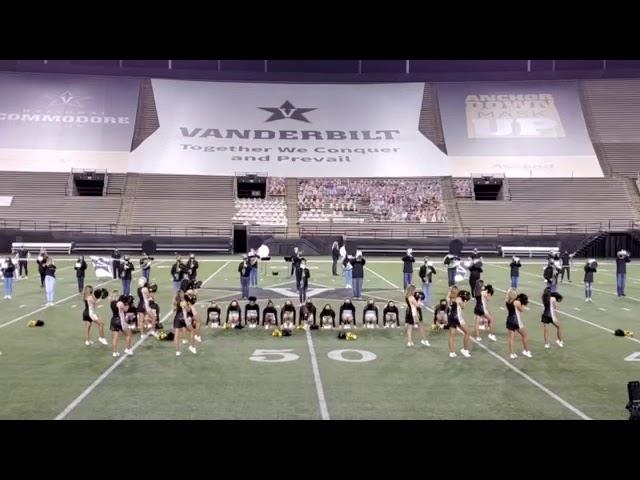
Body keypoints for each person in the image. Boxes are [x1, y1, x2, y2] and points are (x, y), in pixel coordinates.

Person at [505, 288, 531, 359]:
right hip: (516, 321)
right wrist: (524, 306)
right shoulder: (517, 302)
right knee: (525, 335)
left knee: (511, 338)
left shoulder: (507, 301)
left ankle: (512, 354)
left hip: (509, 320)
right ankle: (526, 351)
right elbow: (521, 310)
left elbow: (508, 295)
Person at [447, 286, 472, 358]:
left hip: (451, 317)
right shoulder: (458, 299)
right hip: (458, 318)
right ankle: (465, 350)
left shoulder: (448, 298)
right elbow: (463, 307)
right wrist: (465, 301)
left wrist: (450, 291)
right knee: (467, 332)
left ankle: (451, 352)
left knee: (451, 335)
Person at [110, 290, 135, 357]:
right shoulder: (119, 303)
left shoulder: (111, 302)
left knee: (115, 338)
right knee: (129, 334)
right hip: (120, 321)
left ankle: (114, 352)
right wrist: (128, 303)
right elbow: (126, 309)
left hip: (113, 321)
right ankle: (128, 349)